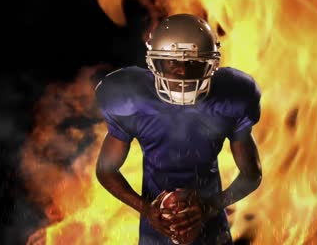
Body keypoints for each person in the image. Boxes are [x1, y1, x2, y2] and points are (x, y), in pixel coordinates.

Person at [95, 13, 262, 245]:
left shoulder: (232, 97)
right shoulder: (131, 98)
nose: (182, 72)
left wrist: (210, 206)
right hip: (156, 233)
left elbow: (252, 174)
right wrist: (147, 208)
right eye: (173, 62)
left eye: (193, 63)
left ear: (211, 65)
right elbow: (106, 170)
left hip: (212, 231)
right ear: (155, 62)